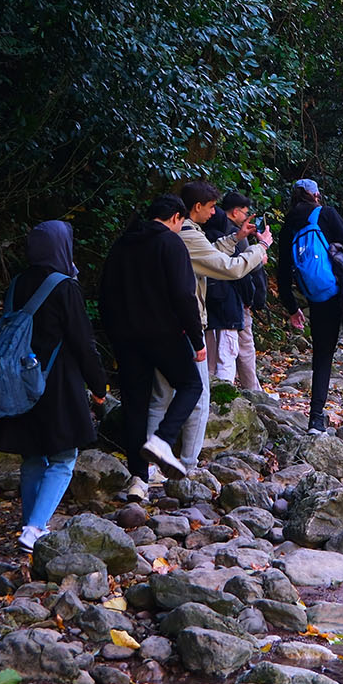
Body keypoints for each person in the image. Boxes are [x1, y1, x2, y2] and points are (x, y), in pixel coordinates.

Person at [0, 221, 107, 552]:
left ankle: (31, 522)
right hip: (57, 384)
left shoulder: (17, 283)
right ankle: (34, 529)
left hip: (19, 382)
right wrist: (99, 386)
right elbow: (84, 342)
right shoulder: (65, 286)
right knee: (65, 456)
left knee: (33, 455)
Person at [147, 180, 270, 472]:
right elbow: (228, 268)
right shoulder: (186, 235)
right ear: (196, 207)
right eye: (212, 206)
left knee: (160, 396)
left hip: (156, 323)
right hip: (185, 328)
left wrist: (236, 238)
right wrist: (259, 248)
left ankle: (147, 469)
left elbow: (210, 253)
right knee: (199, 397)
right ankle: (187, 465)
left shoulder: (174, 234)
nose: (215, 211)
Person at [100, 196, 206, 498]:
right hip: (163, 333)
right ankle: (162, 439)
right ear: (176, 217)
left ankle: (138, 479)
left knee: (135, 405)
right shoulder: (170, 245)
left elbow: (105, 292)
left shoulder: (123, 243)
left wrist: (113, 333)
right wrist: (197, 341)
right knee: (190, 385)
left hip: (125, 336)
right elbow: (185, 296)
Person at [274, 179, 343, 432]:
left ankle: (315, 417)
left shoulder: (289, 224)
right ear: (315, 195)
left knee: (322, 354)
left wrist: (292, 307)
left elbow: (283, 271)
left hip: (316, 296)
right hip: (342, 291)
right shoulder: (326, 213)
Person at [203, 192, 265, 389]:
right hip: (230, 301)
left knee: (211, 357)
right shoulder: (234, 235)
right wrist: (261, 250)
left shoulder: (203, 234)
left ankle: (211, 398)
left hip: (209, 302)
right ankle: (248, 392)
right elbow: (241, 269)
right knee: (234, 351)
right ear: (236, 212)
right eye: (245, 213)